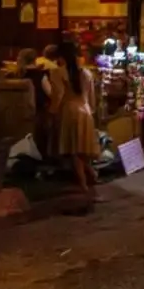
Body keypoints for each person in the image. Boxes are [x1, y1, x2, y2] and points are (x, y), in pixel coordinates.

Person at [51, 41, 100, 200]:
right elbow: (92, 98)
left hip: (70, 111)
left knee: (75, 150)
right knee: (83, 148)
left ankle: (83, 183)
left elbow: (58, 95)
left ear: (61, 56)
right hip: (86, 111)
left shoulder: (58, 72)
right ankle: (91, 174)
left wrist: (53, 111)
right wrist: (91, 111)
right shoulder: (86, 73)